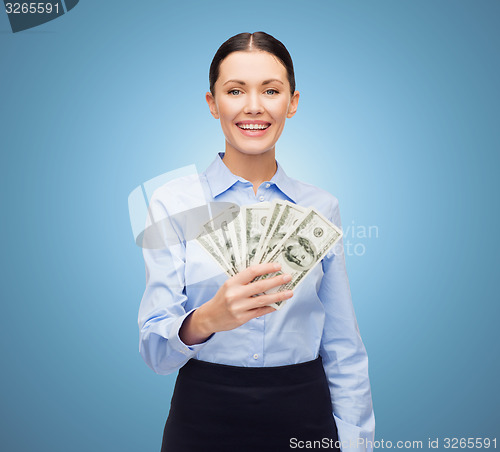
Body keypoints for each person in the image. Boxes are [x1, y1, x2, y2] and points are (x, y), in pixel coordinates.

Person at [138, 31, 375, 452]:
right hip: (202, 415)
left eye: (270, 90)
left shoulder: (321, 207)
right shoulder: (172, 203)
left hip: (305, 411)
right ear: (212, 104)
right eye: (234, 90)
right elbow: (157, 354)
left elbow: (342, 345)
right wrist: (208, 318)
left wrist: (356, 443)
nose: (253, 106)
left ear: (292, 102)